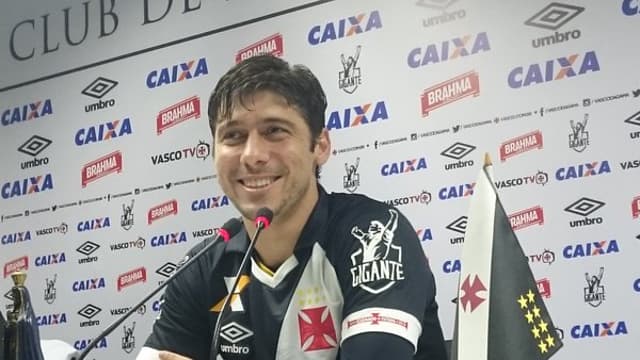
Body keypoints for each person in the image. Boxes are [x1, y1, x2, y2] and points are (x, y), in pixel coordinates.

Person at [136, 55, 448, 360]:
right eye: (233, 136)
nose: (252, 155)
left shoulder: (373, 236)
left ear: (320, 146)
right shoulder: (203, 267)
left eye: (274, 131)